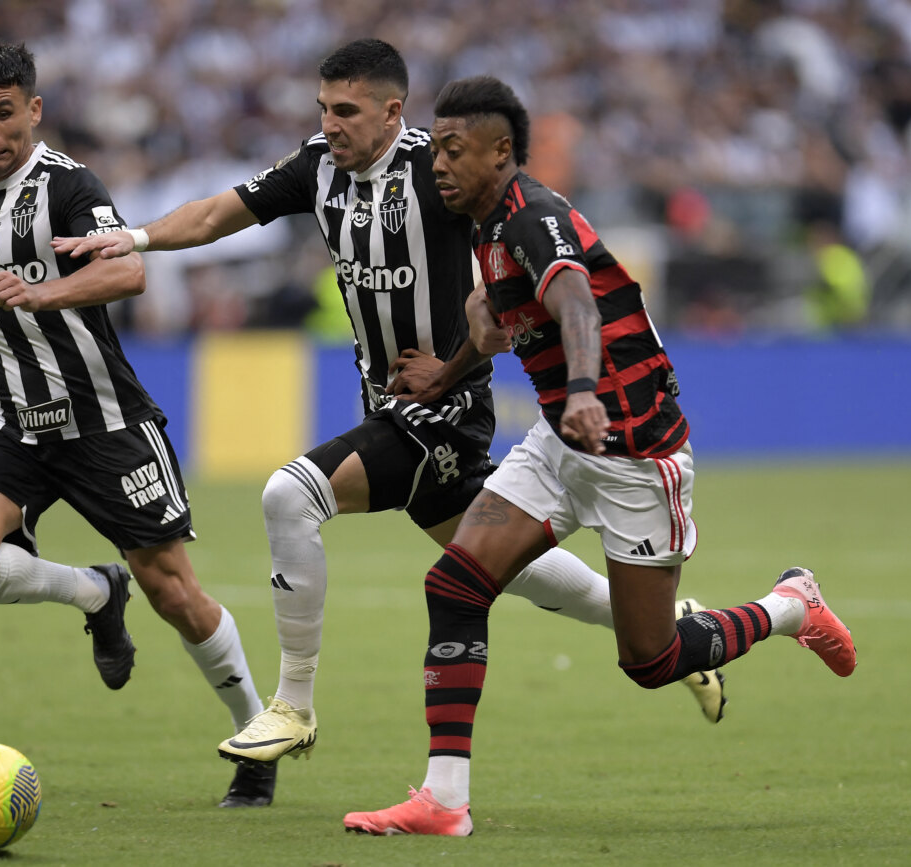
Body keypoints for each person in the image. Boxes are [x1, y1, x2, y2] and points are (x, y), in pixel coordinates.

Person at [52, 39, 726, 771]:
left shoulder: (438, 170)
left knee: (290, 495)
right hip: (390, 401)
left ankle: (293, 706)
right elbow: (223, 213)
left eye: (346, 110)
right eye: (324, 109)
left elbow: (518, 251)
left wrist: (479, 336)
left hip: (446, 409)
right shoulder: (317, 167)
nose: (331, 123)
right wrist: (137, 237)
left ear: (391, 112)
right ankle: (679, 635)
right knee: (509, 570)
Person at [342, 76, 857, 837]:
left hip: (634, 452)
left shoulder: (531, 218)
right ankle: (444, 801)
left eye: (453, 151)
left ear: (501, 152)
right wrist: (444, 375)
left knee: (650, 660)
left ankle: (791, 606)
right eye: (436, 149)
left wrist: (583, 388)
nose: (438, 165)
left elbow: (575, 300)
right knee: (455, 583)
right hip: (561, 440)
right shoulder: (483, 225)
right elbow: (496, 321)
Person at [0, 38, 275, 809]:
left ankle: (257, 736)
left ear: (34, 110)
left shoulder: (67, 186)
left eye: (3, 114)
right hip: (16, 422)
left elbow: (129, 268)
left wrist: (41, 294)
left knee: (176, 592)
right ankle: (92, 591)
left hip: (102, 421)